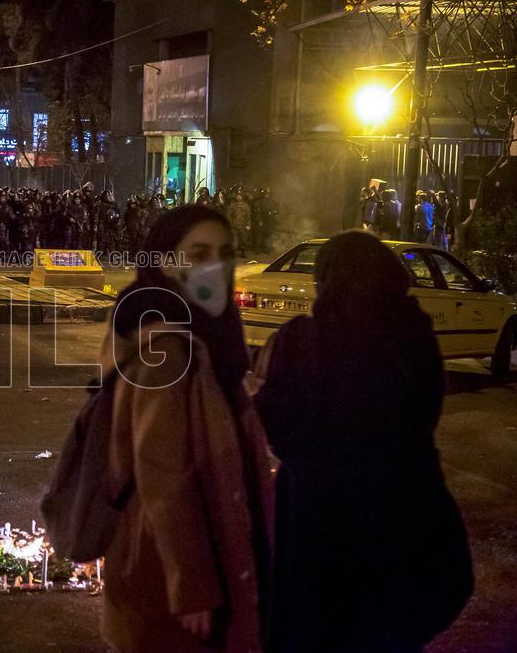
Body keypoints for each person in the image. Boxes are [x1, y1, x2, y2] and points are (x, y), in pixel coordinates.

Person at [254, 231, 473, 653]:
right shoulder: (414, 336)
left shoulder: (303, 340)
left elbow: (275, 425)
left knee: (319, 628)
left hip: (319, 520)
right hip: (405, 508)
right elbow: (426, 412)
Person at [100, 206, 273, 652]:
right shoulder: (168, 349)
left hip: (206, 564)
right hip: (169, 583)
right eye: (198, 253)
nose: (215, 264)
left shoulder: (211, 333)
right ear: (164, 263)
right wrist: (192, 587)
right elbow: (162, 475)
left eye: (225, 252)